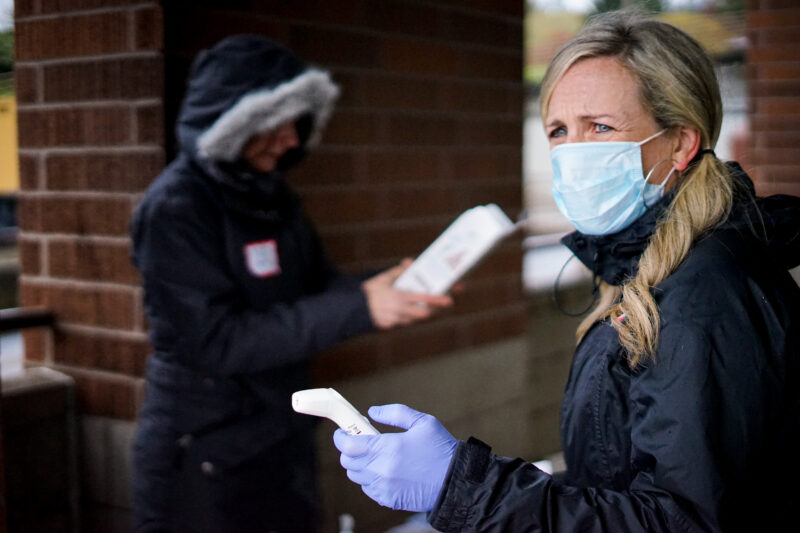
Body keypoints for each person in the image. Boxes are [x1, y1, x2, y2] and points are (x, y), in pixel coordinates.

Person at [333, 9, 800, 532]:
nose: (574, 152)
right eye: (558, 130)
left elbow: (685, 520)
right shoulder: (645, 269)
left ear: (681, 144)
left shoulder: (705, 294)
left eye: (600, 127)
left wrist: (466, 489)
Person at [130, 35, 453, 533]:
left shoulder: (275, 198)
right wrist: (362, 307)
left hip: (282, 437)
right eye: (275, 123)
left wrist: (384, 289)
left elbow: (318, 292)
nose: (291, 139)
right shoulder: (175, 208)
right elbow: (214, 340)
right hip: (203, 452)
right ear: (233, 123)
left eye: (297, 122)